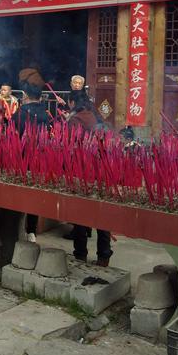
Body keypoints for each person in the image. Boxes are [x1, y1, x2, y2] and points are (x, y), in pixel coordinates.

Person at [67, 91, 113, 267]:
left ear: (72, 103)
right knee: (101, 213)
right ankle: (104, 255)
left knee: (80, 213)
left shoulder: (75, 120)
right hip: (101, 171)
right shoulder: (95, 116)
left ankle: (80, 254)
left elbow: (71, 147)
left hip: (83, 171)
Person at [17, 82, 49, 242]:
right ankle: (31, 232)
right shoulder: (46, 114)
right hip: (40, 160)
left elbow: (11, 135)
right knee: (34, 194)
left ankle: (16, 228)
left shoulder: (21, 113)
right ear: (41, 97)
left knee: (18, 193)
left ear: (25, 96)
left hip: (21, 159)